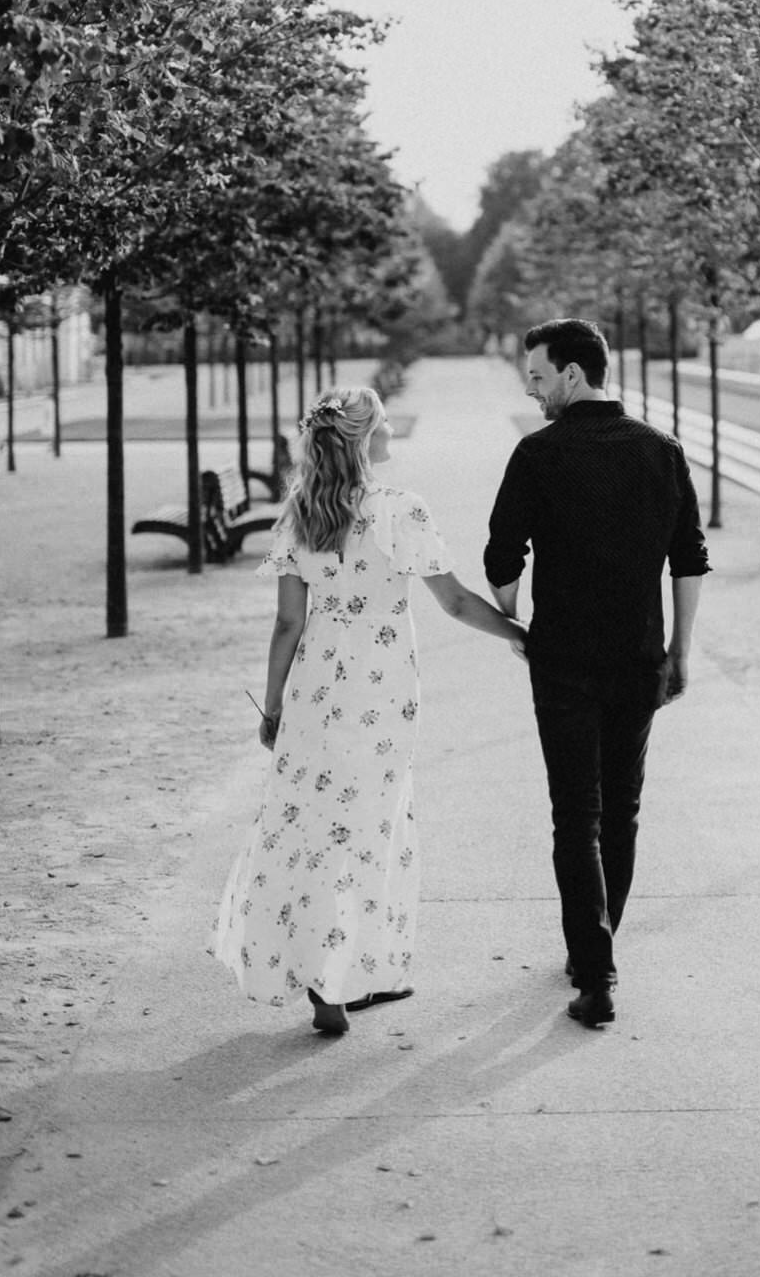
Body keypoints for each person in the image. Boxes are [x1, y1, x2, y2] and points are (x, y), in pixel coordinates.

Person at [212, 386, 528, 1037]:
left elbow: (286, 624)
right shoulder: (401, 510)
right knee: (368, 829)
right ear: (363, 439)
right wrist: (522, 636)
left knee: (309, 828)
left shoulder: (299, 515)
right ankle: (349, 972)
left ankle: (326, 982)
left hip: (314, 695)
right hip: (381, 697)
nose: (390, 434)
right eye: (383, 425)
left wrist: (271, 708)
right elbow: (457, 603)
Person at [485, 317, 707, 1029]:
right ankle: (598, 946)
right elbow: (690, 557)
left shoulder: (538, 454)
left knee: (574, 816)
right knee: (622, 809)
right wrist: (682, 650)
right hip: (639, 654)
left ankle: (594, 968)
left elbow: (501, 557)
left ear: (574, 375)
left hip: (563, 662)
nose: (532, 387)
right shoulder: (662, 451)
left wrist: (513, 616)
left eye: (539, 376)